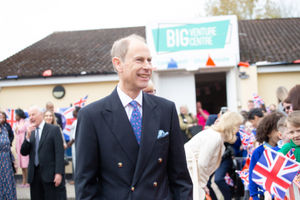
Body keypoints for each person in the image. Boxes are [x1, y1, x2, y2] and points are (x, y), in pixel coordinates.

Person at [75, 34, 193, 199]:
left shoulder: (166, 109)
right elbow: (85, 185)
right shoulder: (92, 116)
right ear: (118, 64)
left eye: (149, 60)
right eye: (139, 60)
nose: (147, 66)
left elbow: (180, 177)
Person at [184, 111, 243, 200]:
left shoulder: (216, 136)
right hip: (190, 173)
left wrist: (203, 184)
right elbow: (202, 163)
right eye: (238, 126)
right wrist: (202, 184)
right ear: (231, 125)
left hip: (192, 174)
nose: (238, 129)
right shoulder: (215, 137)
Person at [21, 106, 65, 200]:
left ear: (41, 115)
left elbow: (59, 153)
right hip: (34, 176)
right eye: (29, 115)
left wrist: (59, 173)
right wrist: (27, 138)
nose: (31, 117)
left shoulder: (54, 129)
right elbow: (23, 152)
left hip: (50, 175)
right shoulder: (30, 131)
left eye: (33, 114)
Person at [248, 112, 283, 200]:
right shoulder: (259, 152)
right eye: (278, 130)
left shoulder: (287, 149)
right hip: (265, 195)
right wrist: (255, 196)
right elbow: (253, 175)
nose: (282, 133)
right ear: (268, 133)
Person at [0, 122, 17, 199]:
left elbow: (8, 147)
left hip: (6, 163)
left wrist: (14, 161)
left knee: (8, 185)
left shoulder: (4, 129)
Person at [14, 108, 30, 187]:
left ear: (20, 115)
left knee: (26, 164)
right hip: (18, 146)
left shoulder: (26, 122)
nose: (15, 117)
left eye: (16, 115)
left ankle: (27, 181)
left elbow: (28, 133)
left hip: (24, 146)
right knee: (22, 166)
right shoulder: (17, 123)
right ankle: (23, 181)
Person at [67, 106, 81, 185]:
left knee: (76, 163)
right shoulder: (76, 121)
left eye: (74, 111)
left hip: (75, 145)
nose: (73, 113)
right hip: (74, 145)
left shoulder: (77, 122)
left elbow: (74, 136)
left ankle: (76, 180)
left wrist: (69, 143)